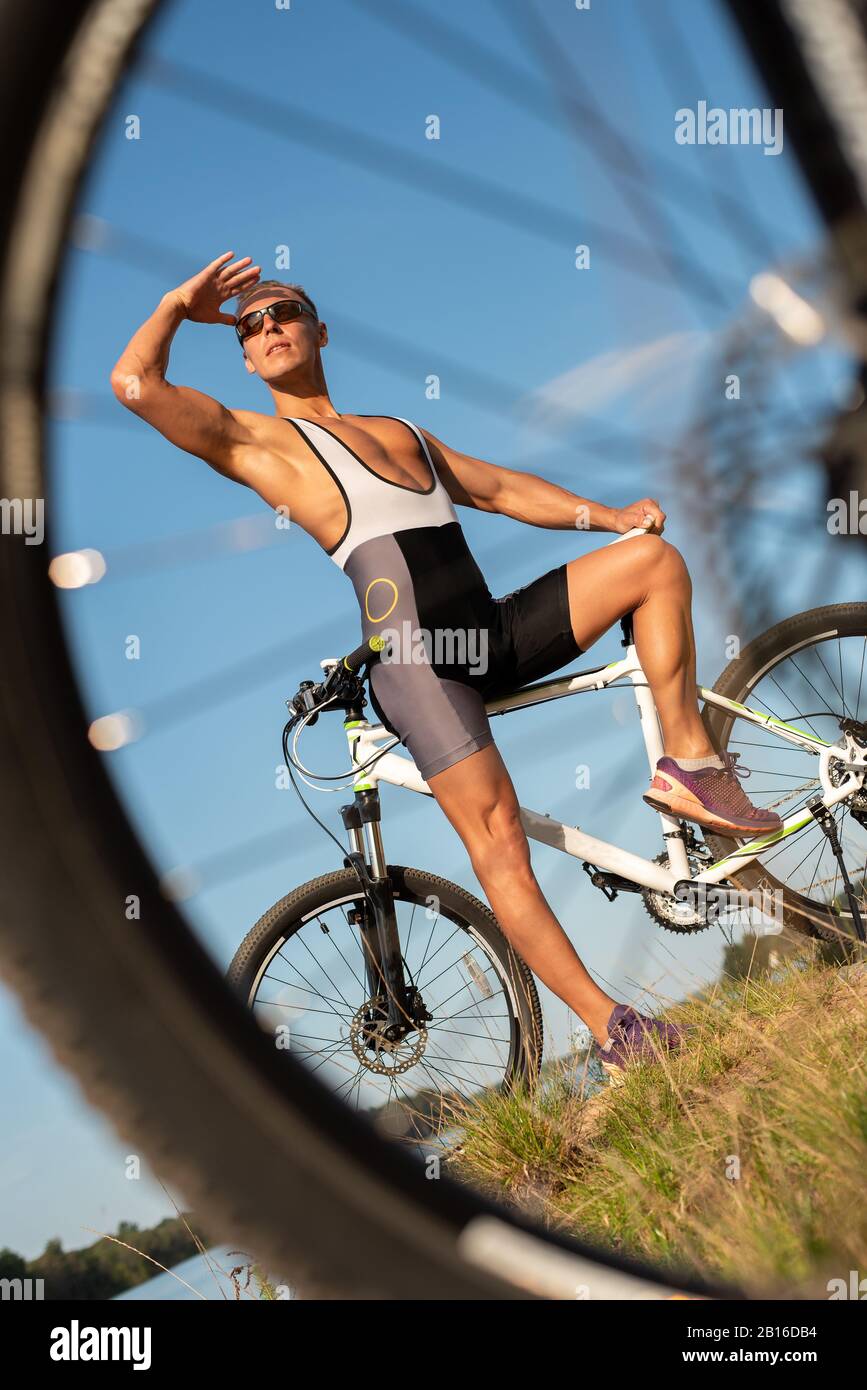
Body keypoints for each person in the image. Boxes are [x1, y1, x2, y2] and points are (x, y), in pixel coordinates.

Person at [111, 252, 781, 1071]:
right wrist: (181, 304)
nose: (268, 326)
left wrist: (606, 517)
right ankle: (616, 1031)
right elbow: (135, 386)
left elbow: (498, 490)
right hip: (417, 662)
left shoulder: (403, 432)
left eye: (282, 311)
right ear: (245, 358)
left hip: (490, 631)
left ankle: (689, 761)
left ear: (319, 330)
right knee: (501, 840)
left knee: (654, 562)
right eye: (251, 326)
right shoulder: (259, 443)